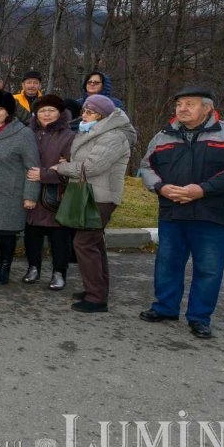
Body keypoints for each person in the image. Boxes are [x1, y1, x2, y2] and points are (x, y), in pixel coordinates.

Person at [137, 87, 224, 339]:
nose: (182, 108)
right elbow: (146, 166)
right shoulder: (163, 135)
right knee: (167, 263)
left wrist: (202, 190)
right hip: (172, 211)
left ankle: (199, 317)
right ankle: (165, 308)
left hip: (213, 214)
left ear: (207, 108)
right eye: (179, 104)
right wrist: (161, 187)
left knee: (208, 268)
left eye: (189, 103)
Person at [54, 94, 136, 313]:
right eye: (84, 111)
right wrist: (72, 165)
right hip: (90, 194)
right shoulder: (95, 131)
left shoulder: (113, 136)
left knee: (84, 244)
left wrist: (62, 168)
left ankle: (96, 297)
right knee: (95, 244)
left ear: (102, 115)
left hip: (100, 197)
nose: (84, 115)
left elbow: (91, 167)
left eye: (90, 112)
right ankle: (97, 289)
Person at [0, 90, 40, 284]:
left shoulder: (23, 133)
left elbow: (32, 167)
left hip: (9, 194)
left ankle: (5, 267)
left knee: (5, 234)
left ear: (8, 111)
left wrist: (30, 196)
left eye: (0, 109)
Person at [23, 95, 76, 290]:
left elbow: (72, 167)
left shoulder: (69, 136)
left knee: (59, 236)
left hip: (57, 193)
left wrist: (45, 174)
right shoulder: (29, 133)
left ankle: (59, 272)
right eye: (42, 111)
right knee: (32, 233)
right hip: (32, 191)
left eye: (51, 110)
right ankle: (33, 267)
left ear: (60, 113)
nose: (46, 114)